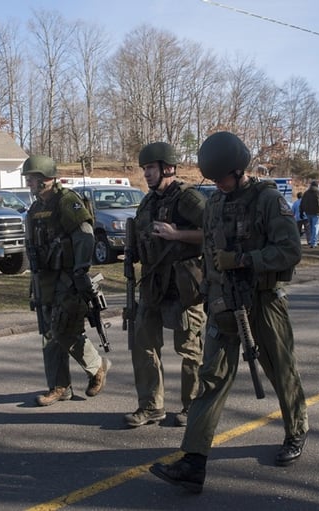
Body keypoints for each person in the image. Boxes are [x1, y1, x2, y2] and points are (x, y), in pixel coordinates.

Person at [150, 131, 308, 494]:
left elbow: (290, 250)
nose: (218, 184)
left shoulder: (267, 200)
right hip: (224, 302)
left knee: (281, 369)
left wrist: (242, 259)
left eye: (222, 177)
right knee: (211, 378)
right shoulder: (215, 204)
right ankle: (193, 462)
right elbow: (209, 253)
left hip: (264, 302)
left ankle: (296, 430)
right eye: (214, 179)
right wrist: (209, 292)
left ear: (239, 170)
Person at [125, 142, 205, 428]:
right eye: (144, 168)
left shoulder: (188, 199)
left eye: (151, 168)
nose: (146, 174)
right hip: (152, 283)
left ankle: (193, 406)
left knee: (189, 349)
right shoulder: (148, 202)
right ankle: (150, 406)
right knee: (143, 345)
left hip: (183, 286)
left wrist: (178, 234)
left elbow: (215, 231)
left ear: (168, 168)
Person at [23, 155, 111, 406]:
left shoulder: (66, 201)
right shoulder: (36, 208)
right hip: (44, 278)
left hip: (67, 278)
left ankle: (97, 366)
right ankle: (60, 386)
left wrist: (80, 271)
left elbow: (85, 236)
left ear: (45, 179)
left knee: (64, 329)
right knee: (49, 333)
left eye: (32, 178)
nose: (29, 183)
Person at [299, 180, 319, 248]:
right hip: (317, 212)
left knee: (311, 227)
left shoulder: (306, 193)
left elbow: (302, 203)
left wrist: (301, 212)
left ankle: (312, 241)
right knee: (315, 227)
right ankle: (314, 243)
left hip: (308, 212)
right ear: (317, 185)